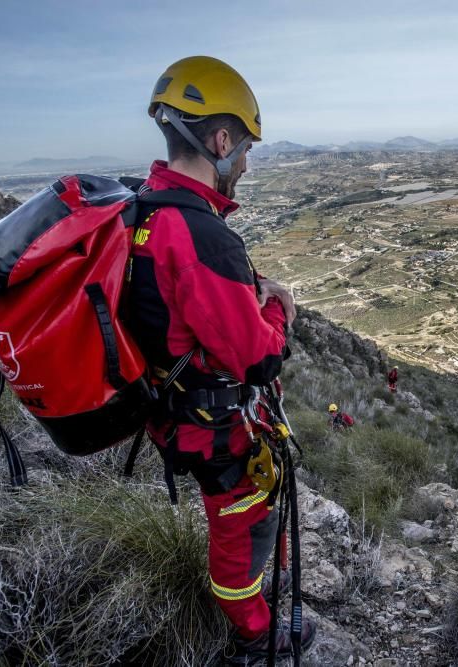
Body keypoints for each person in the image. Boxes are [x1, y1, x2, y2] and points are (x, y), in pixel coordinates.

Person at [127, 55, 315, 662]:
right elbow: (259, 359)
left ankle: (253, 611)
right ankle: (253, 635)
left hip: (170, 406)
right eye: (245, 150)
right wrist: (279, 308)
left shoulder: (143, 207)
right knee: (241, 523)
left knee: (246, 514)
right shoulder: (201, 235)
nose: (246, 164)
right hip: (209, 427)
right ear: (221, 139)